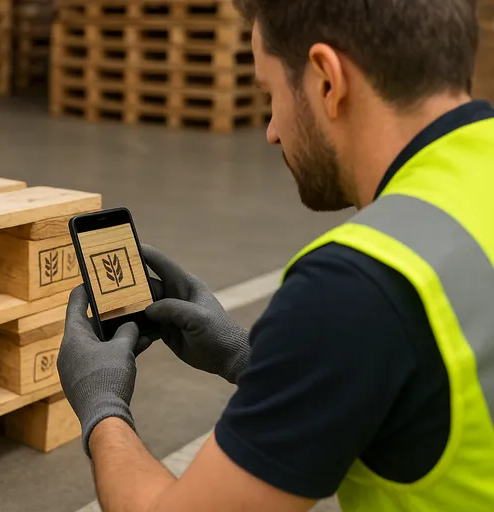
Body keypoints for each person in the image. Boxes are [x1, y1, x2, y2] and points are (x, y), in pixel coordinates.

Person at [56, 0, 494, 510]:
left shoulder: (357, 285)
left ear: (327, 80)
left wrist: (101, 405)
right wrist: (254, 360)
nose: (270, 129)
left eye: (271, 93)